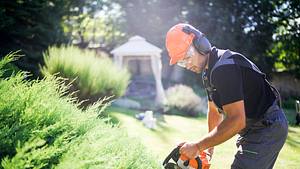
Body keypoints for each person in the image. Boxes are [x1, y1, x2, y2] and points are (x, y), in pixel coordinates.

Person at [165, 23, 288, 169]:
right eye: (182, 63)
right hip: (253, 128)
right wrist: (207, 151)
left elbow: (237, 120)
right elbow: (214, 112)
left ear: (200, 44)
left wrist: (198, 146)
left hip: (267, 126)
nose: (187, 65)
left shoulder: (224, 68)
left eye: (187, 57)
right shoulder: (208, 72)